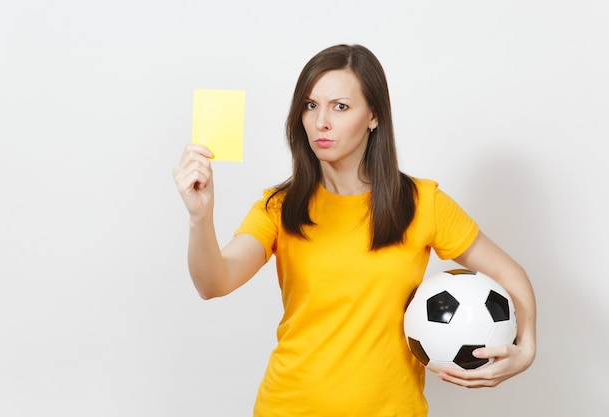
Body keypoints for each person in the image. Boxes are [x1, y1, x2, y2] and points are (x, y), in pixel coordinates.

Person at [172, 44, 536, 417]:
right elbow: (213, 283)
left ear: (373, 115)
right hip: (288, 406)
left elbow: (510, 273)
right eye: (311, 105)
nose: (321, 122)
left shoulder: (421, 203)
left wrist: (525, 350)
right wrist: (201, 218)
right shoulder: (280, 207)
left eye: (340, 107)